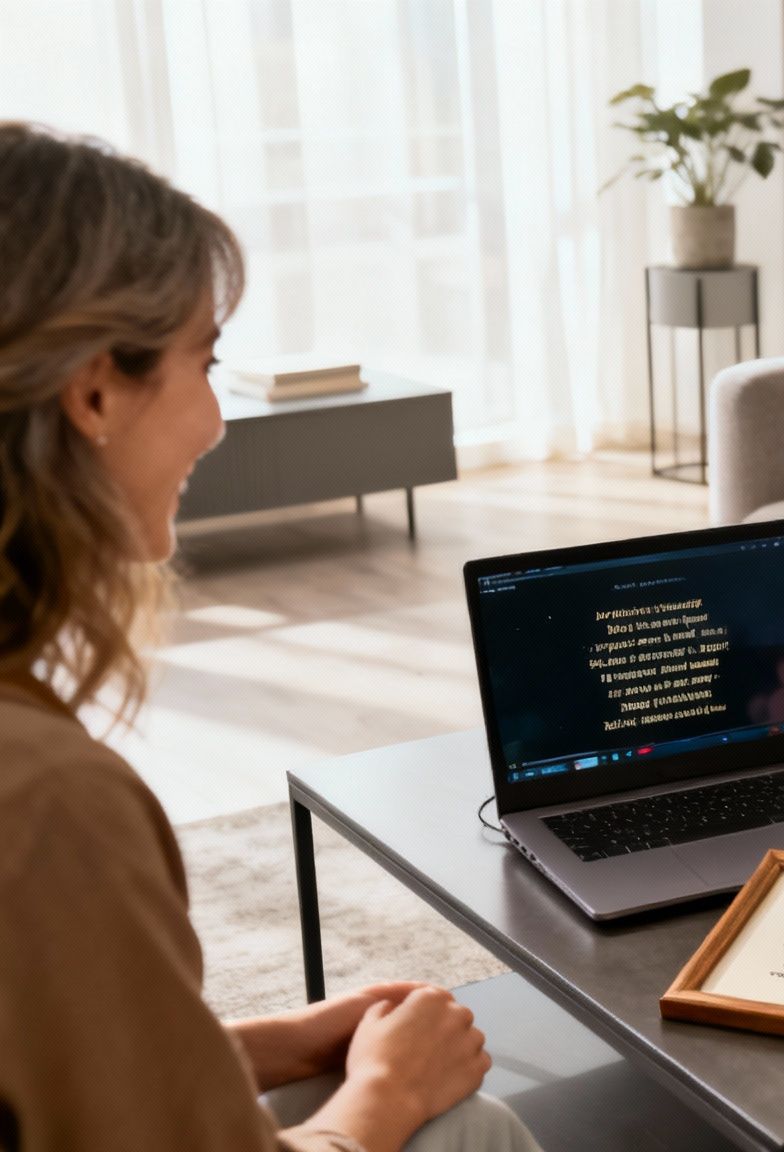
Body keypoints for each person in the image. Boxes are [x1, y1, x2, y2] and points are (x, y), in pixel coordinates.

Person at [0, 122, 542, 1151]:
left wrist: (262, 1043)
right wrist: (384, 1094)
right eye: (204, 362)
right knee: (473, 1127)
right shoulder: (47, 803)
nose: (215, 419)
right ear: (94, 390)